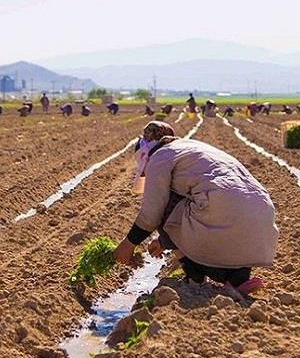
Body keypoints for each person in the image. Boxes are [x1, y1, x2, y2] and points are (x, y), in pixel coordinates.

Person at [115, 122, 278, 294]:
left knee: (165, 202)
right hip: (263, 220)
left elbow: (152, 213)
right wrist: (164, 241)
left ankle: (195, 275)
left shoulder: (159, 156)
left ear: (145, 154)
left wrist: (128, 244)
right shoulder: (191, 147)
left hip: (223, 211)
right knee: (224, 207)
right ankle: (238, 279)